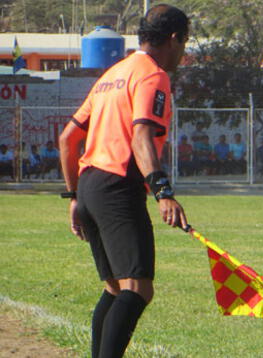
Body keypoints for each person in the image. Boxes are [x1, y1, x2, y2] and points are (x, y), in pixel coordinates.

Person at [58, 5, 189, 358]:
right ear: (174, 38)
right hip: (117, 187)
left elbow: (68, 138)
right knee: (138, 288)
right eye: (185, 42)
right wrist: (163, 191)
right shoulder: (151, 74)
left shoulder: (113, 74)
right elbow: (141, 136)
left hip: (89, 185)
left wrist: (74, 196)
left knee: (116, 288)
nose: (183, 52)